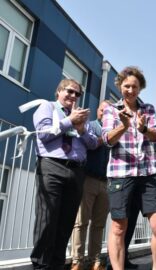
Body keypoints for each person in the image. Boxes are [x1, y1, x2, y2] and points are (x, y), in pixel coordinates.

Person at [102, 66, 156, 270]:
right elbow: (106, 140)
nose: (130, 90)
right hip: (121, 175)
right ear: (120, 86)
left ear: (141, 88)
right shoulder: (111, 109)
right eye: (127, 86)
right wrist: (123, 126)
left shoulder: (148, 109)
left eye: (135, 86)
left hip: (147, 174)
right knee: (119, 228)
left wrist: (144, 128)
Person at [31, 79, 98, 270]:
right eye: (70, 91)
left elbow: (93, 143)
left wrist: (81, 129)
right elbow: (43, 133)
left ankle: (57, 264)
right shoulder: (47, 107)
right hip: (52, 166)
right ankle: (41, 265)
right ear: (59, 91)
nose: (73, 96)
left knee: (66, 221)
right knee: (48, 218)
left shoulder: (81, 117)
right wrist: (70, 121)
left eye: (77, 94)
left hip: (77, 171)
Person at [70, 100, 110, 270]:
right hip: (88, 179)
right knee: (81, 222)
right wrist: (109, 136)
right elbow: (90, 143)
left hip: (107, 182)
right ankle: (77, 261)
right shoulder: (90, 126)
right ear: (98, 111)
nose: (104, 113)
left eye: (108, 112)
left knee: (99, 224)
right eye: (102, 110)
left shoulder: (115, 130)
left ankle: (95, 260)